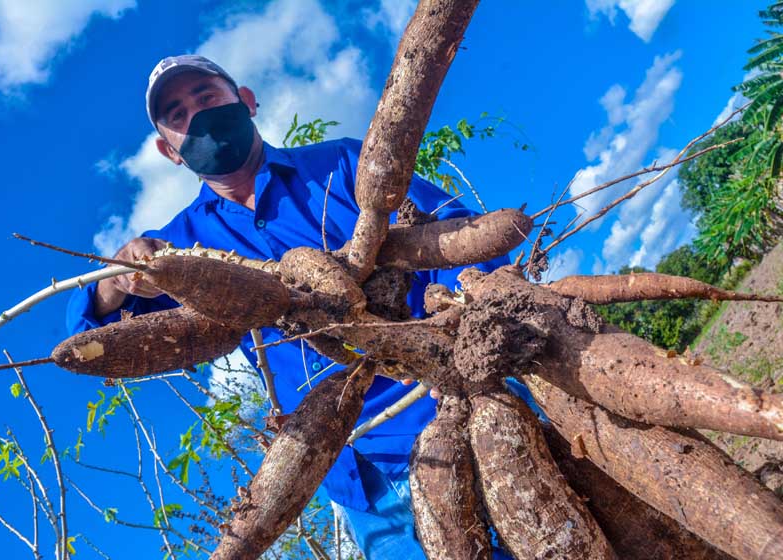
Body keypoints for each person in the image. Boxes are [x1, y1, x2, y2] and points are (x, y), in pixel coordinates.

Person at [67, 55, 532, 559]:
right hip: (359, 479)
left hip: (460, 410)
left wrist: (460, 339)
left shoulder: (344, 166)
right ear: (168, 150)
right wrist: (114, 280)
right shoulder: (179, 248)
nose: (196, 117)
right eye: (177, 115)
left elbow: (460, 234)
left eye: (206, 98)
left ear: (245, 101)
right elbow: (94, 340)